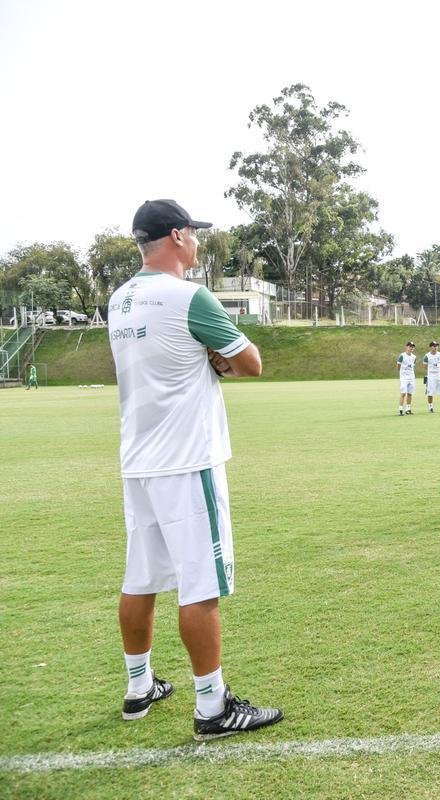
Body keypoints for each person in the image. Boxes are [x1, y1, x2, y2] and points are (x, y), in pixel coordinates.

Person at [111, 199, 282, 741]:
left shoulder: (119, 299)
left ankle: (139, 686)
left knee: (140, 577)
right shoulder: (189, 296)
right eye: (195, 234)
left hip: (138, 461)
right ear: (179, 236)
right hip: (187, 459)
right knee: (199, 584)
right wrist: (219, 358)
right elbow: (251, 362)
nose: (199, 242)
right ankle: (212, 706)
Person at [395, 341, 417, 415]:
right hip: (404, 377)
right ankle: (400, 409)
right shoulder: (402, 356)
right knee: (403, 393)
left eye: (412, 347)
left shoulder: (414, 357)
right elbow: (398, 366)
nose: (411, 348)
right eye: (410, 346)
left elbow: (413, 365)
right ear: (406, 347)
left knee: (410, 393)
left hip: (411, 377)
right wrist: (402, 373)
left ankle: (408, 409)